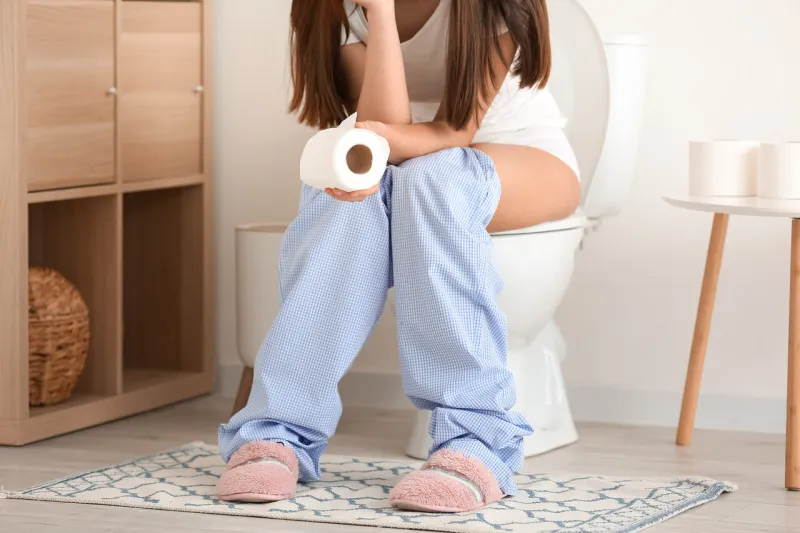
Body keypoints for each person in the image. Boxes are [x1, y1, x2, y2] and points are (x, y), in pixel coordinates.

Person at [217, 0, 581, 513]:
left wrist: (376, 150)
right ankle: (279, 429)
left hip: (520, 155)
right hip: (399, 152)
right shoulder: (340, 7)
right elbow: (389, 123)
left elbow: (456, 132)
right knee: (346, 196)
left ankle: (474, 438)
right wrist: (381, 12)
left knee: (436, 178)